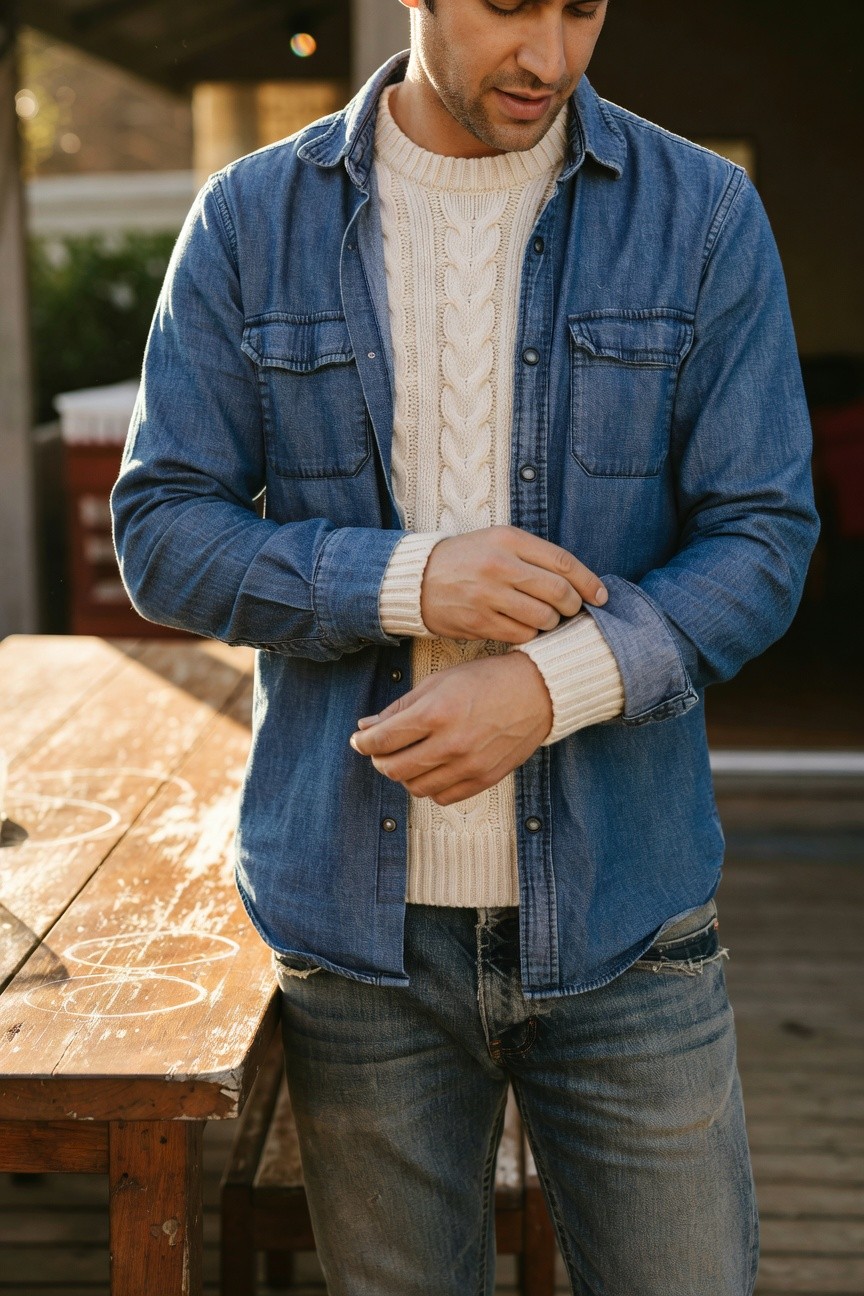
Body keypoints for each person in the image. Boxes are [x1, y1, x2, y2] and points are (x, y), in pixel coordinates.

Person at [111, 1, 819, 1291]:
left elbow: (762, 543)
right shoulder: (247, 221)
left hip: (629, 920)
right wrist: (409, 579)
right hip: (357, 939)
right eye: (507, 6)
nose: (548, 56)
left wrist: (549, 689)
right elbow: (161, 535)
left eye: (584, 8)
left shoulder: (703, 216)